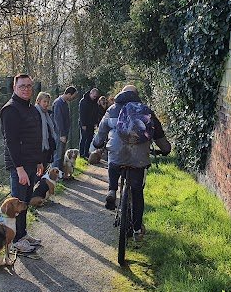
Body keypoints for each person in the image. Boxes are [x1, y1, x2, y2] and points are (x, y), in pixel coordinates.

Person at [93, 85, 171, 241]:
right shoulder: (146, 110)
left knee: (113, 161)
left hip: (117, 153)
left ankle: (112, 190)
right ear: (136, 95)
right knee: (136, 192)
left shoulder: (112, 109)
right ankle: (136, 230)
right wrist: (166, 149)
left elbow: (102, 131)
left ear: (121, 93)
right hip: (139, 157)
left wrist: (97, 143)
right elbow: (159, 134)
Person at [0, 73, 44, 254]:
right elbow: (10, 141)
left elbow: (36, 137)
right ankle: (16, 240)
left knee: (24, 202)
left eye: (28, 86)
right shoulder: (10, 109)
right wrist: (19, 169)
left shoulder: (32, 109)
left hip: (32, 163)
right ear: (14, 87)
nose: (26, 89)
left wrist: (40, 160)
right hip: (20, 167)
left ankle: (23, 234)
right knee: (16, 204)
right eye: (22, 86)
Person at [52, 86, 77, 174]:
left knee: (61, 154)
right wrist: (62, 134)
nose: (73, 99)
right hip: (59, 133)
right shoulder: (58, 103)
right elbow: (58, 120)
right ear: (68, 94)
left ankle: (61, 174)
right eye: (72, 96)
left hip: (63, 133)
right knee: (58, 155)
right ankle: (55, 175)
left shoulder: (64, 103)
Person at [35, 90, 58, 173]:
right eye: (44, 101)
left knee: (44, 171)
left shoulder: (46, 113)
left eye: (48, 102)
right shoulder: (35, 113)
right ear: (38, 101)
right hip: (38, 148)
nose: (46, 104)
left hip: (46, 148)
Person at [78, 87, 100, 159]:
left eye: (96, 96)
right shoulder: (83, 101)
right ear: (91, 93)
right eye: (94, 96)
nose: (95, 98)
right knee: (84, 138)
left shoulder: (95, 102)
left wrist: (96, 122)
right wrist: (83, 124)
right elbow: (82, 114)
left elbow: (96, 113)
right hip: (84, 123)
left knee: (90, 138)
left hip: (91, 123)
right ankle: (81, 154)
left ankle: (86, 153)